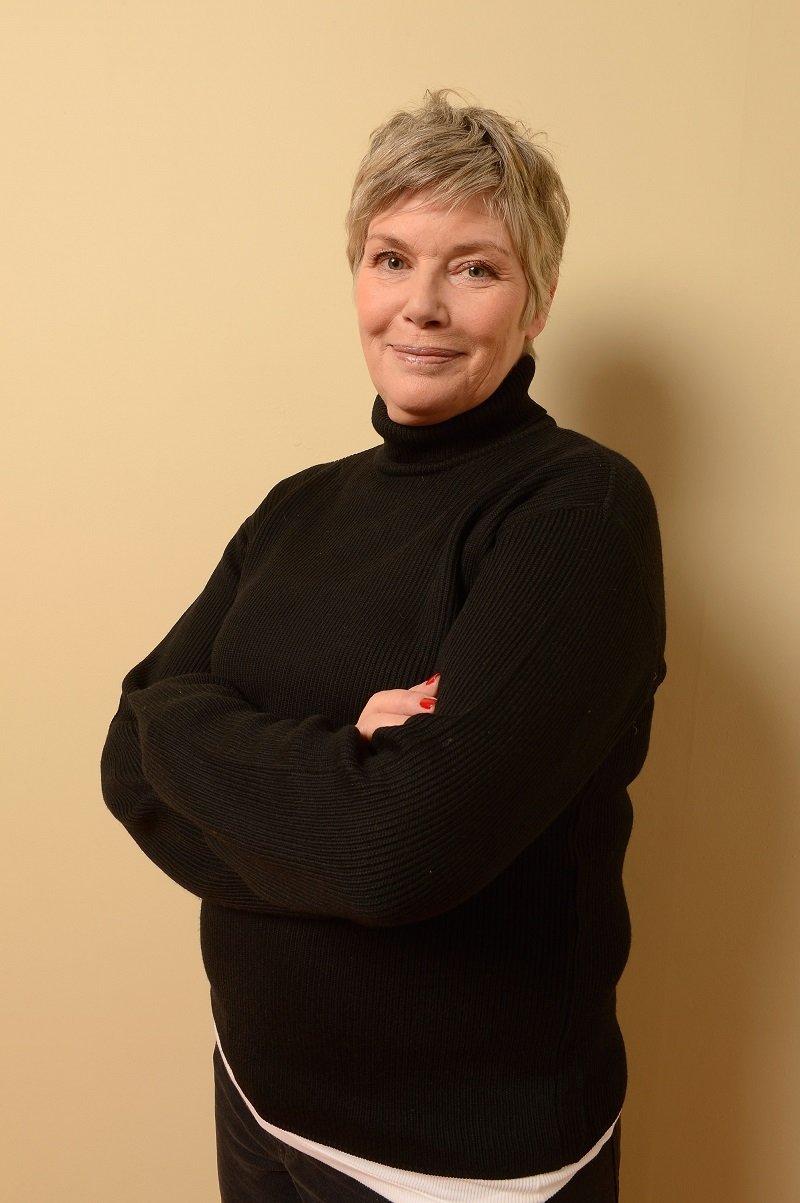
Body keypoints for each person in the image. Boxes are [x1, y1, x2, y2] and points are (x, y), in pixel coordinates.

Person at [102, 91, 666, 1202]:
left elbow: (398, 852)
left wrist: (227, 751)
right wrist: (335, 766)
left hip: (457, 1164)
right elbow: (130, 752)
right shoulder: (297, 506)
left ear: (537, 300)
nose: (420, 306)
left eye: (474, 268)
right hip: (258, 1093)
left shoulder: (573, 512)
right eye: (390, 257)